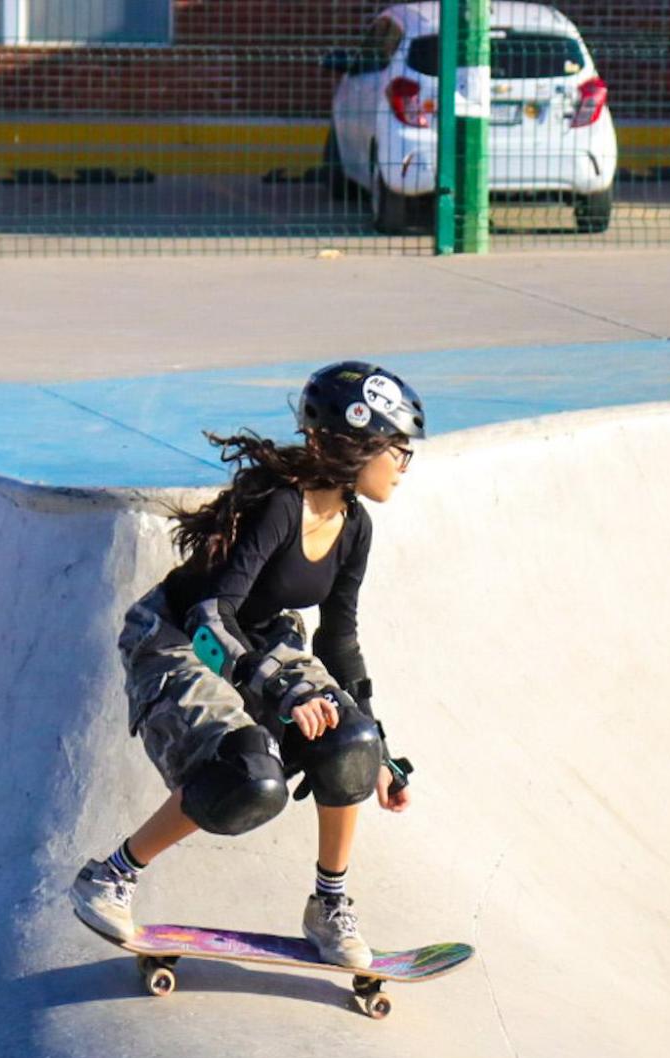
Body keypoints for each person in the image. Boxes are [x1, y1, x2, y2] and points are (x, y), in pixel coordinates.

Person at [69, 361, 423, 967]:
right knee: (250, 779)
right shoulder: (280, 506)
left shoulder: (354, 526)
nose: (404, 466)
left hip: (266, 641)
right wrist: (282, 691)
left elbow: (339, 642)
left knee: (352, 743)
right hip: (178, 638)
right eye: (399, 450)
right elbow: (212, 616)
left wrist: (382, 753)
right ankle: (111, 876)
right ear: (360, 442)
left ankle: (329, 905)